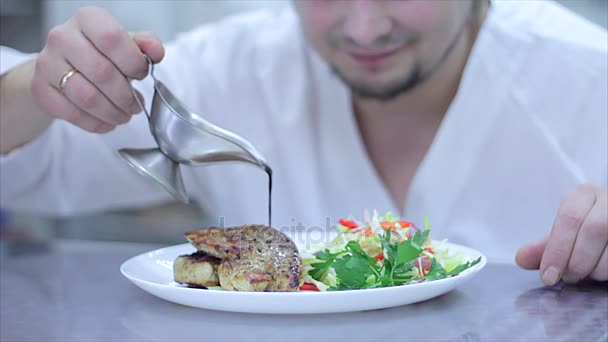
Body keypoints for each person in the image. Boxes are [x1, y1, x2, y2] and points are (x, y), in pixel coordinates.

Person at [0, 0, 606, 286]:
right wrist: (35, 86)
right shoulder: (233, 70)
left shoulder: (586, 77)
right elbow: (36, 164)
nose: (365, 27)